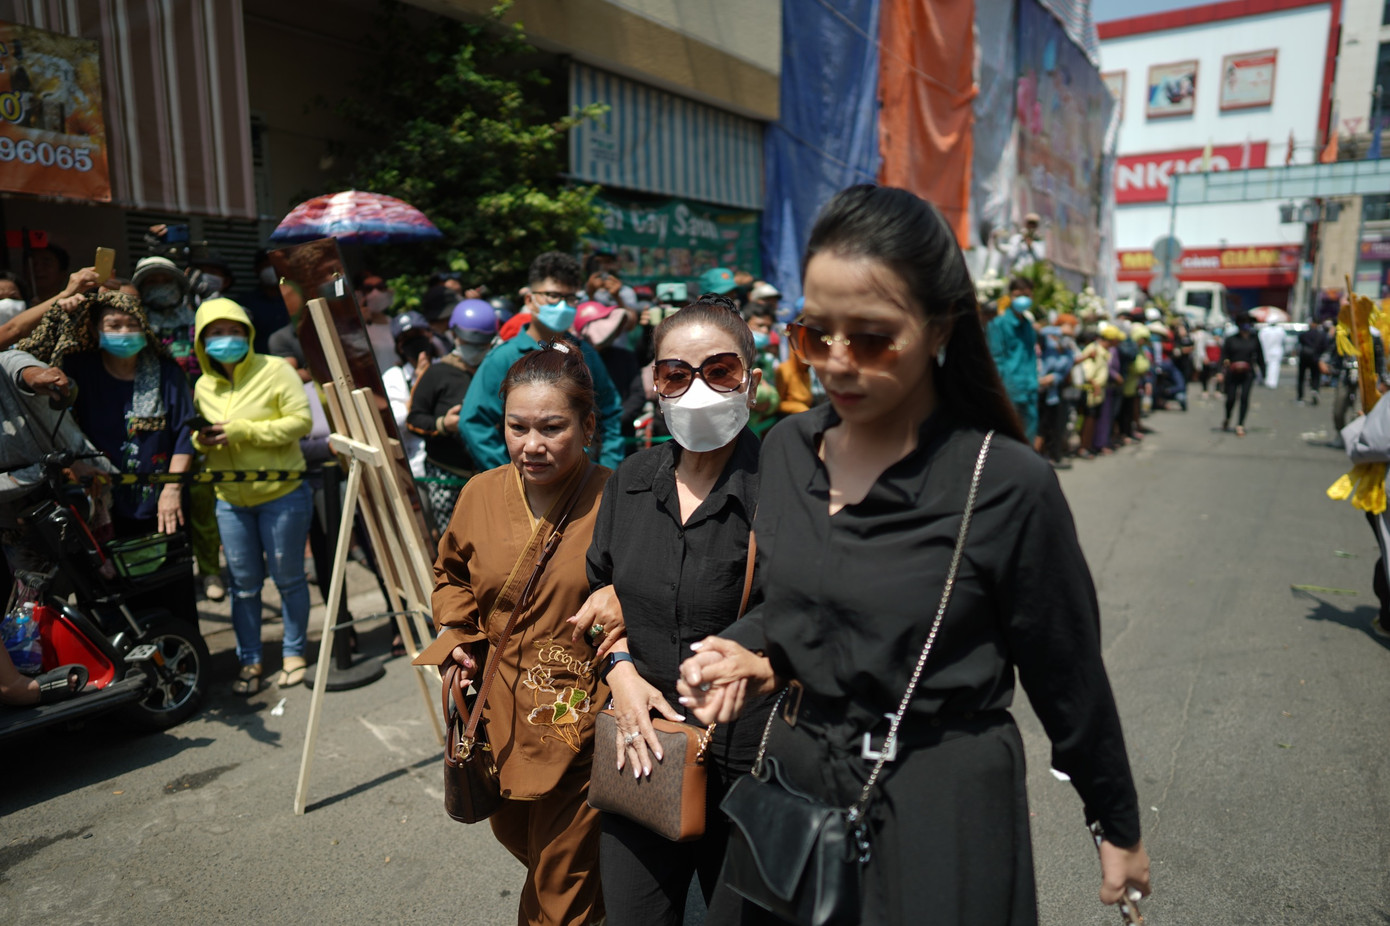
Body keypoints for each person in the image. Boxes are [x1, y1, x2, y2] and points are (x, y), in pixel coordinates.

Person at [674, 185, 1150, 924]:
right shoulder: (790, 447)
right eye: (813, 335)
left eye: (869, 337)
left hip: (939, 805)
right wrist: (744, 650)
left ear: (939, 329)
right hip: (794, 786)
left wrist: (1115, 825)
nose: (836, 362)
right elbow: (795, 602)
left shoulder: (1006, 484)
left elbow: (1070, 677)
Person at [575, 293, 772, 925]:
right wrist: (622, 674)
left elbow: (816, 619)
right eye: (675, 374)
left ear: (753, 380)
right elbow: (598, 597)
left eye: (719, 371)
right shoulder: (629, 483)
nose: (696, 390)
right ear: (655, 384)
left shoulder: (789, 492)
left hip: (754, 769)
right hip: (645, 753)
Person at [414, 343, 611, 926]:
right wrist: (460, 639)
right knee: (525, 844)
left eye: (552, 427)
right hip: (497, 710)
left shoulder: (620, 497)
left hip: (580, 716)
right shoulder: (479, 493)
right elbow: (449, 575)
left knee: (562, 881)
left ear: (588, 425)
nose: (532, 445)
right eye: (517, 427)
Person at [17, 291, 200, 627]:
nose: (123, 332)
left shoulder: (166, 373)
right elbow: (27, 368)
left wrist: (171, 490)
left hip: (161, 509)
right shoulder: (78, 370)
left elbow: (185, 436)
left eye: (132, 324)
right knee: (112, 603)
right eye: (113, 324)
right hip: (98, 508)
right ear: (96, 329)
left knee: (172, 596)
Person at [191, 298, 313, 695]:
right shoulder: (203, 384)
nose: (226, 339)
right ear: (201, 341)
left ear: (248, 333)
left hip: (284, 492)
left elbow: (301, 422)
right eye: (216, 333)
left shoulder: (276, 368)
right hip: (229, 498)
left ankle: (294, 653)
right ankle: (250, 660)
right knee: (243, 586)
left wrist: (244, 430)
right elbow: (199, 437)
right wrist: (201, 438)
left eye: (235, 331)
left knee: (289, 579)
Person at [459, 252, 626, 470]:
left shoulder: (586, 354)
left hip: (583, 489)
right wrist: (512, 475)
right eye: (553, 296)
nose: (563, 306)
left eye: (571, 298)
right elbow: (473, 423)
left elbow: (610, 411)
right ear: (530, 299)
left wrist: (607, 470)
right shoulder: (503, 358)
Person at [407, 299, 495, 537]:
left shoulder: (495, 370)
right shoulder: (437, 373)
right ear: (455, 336)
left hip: (490, 471)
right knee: (455, 540)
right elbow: (414, 419)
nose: (475, 349)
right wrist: (443, 425)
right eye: (469, 343)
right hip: (446, 475)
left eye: (482, 344)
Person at [380, 310, 433, 479]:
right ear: (399, 346)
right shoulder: (393, 376)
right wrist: (419, 384)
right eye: (407, 338)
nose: (415, 342)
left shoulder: (444, 367)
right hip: (415, 469)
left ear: (429, 336)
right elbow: (395, 420)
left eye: (418, 334)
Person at [988, 278, 1040, 443]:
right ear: (1010, 296)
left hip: (1030, 387)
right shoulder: (998, 324)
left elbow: (1031, 356)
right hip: (1010, 389)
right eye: (1018, 294)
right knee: (1009, 438)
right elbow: (996, 360)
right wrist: (1004, 388)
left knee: (1029, 436)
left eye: (1027, 294)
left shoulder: (1028, 325)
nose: (1022, 298)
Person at [1222, 317, 1265, 437]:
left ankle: (1240, 424)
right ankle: (1227, 417)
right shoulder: (1231, 339)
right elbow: (1224, 355)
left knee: (1244, 398)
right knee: (1230, 398)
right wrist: (1221, 370)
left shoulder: (1254, 340)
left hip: (1248, 373)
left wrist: (1263, 373)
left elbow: (1260, 357)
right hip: (1232, 373)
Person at [1297, 320, 1329, 405]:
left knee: (1301, 377)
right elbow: (1325, 346)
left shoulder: (1305, 334)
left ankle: (1300, 396)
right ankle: (1315, 389)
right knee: (1315, 375)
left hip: (1304, 357)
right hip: (1315, 357)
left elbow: (1300, 341)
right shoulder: (1321, 335)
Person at [1258, 321, 1286, 389]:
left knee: (1268, 366)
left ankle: (1268, 381)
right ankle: (1272, 382)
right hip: (1276, 351)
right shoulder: (1280, 331)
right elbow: (1284, 341)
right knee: (1274, 367)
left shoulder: (1264, 331)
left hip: (1266, 351)